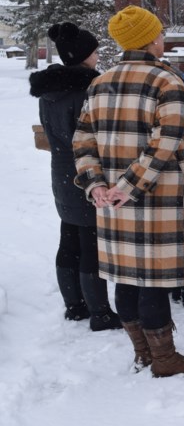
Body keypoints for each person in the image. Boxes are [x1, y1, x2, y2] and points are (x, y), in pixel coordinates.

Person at [73, 5, 184, 377]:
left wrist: (98, 185)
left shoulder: (100, 82)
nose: (163, 39)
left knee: (126, 276)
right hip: (156, 198)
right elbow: (168, 141)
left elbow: (83, 141)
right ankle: (163, 359)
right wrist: (128, 187)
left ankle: (144, 352)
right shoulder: (167, 81)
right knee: (154, 281)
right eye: (159, 33)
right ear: (148, 39)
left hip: (112, 199)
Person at [29, 22, 122, 331]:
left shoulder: (50, 92)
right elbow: (93, 137)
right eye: (95, 52)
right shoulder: (87, 90)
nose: (98, 56)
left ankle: (75, 306)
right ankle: (100, 313)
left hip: (60, 172)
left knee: (69, 239)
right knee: (89, 243)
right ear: (83, 55)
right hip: (84, 173)